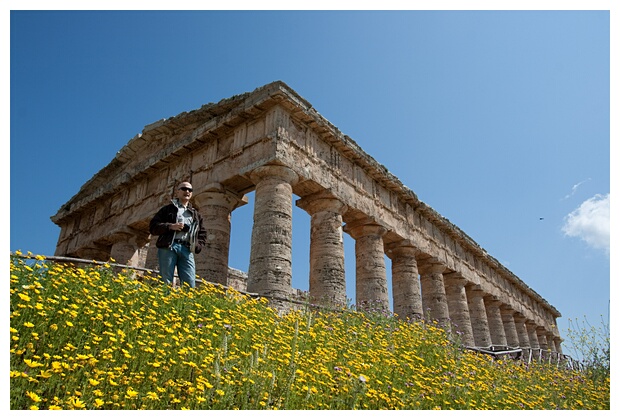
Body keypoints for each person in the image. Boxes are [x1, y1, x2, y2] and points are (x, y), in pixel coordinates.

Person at [149, 181, 207, 288]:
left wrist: (197, 246)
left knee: (190, 283)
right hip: (169, 246)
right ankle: (163, 302)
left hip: (187, 249)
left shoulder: (196, 214)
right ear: (177, 192)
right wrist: (170, 226)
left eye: (190, 190)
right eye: (184, 189)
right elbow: (153, 227)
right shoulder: (167, 210)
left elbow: (202, 233)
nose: (187, 191)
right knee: (165, 280)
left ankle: (186, 304)